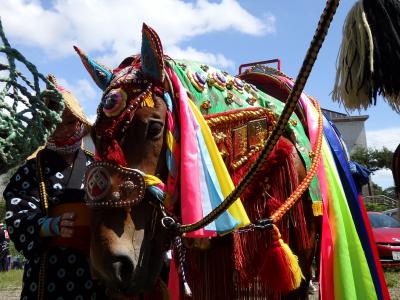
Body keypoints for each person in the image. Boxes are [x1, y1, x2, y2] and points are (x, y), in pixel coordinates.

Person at [2, 76, 107, 300]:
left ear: (79, 123)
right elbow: (16, 217)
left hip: (93, 273)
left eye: (69, 122)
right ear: (45, 124)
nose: (62, 129)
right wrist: (50, 226)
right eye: (54, 122)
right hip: (47, 274)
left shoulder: (98, 165)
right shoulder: (30, 171)